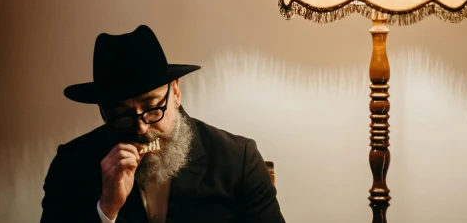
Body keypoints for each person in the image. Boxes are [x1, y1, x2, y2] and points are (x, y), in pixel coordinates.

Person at [41, 25, 286, 223]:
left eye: (152, 107)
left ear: (176, 92)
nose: (141, 128)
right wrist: (106, 209)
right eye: (122, 116)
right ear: (104, 112)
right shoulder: (70, 164)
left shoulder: (238, 159)